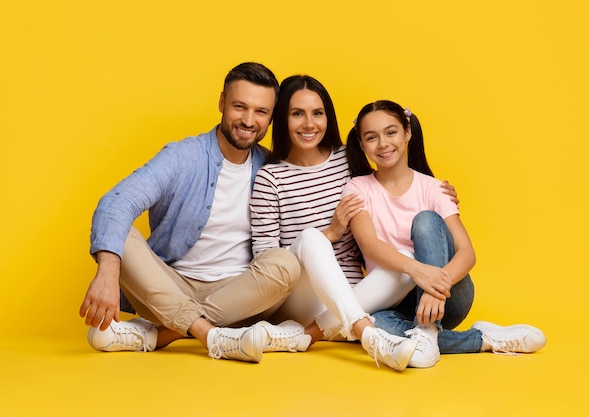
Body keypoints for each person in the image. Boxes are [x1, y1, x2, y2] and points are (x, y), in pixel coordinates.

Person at [79, 62, 313, 363]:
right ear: (221, 103)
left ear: (270, 118)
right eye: (239, 106)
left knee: (284, 263)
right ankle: (213, 335)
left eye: (261, 112)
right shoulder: (182, 156)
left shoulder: (271, 168)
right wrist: (107, 274)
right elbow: (116, 202)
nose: (248, 120)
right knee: (121, 234)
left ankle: (161, 334)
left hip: (240, 297)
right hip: (169, 286)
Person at [251, 75, 460, 370]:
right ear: (281, 120)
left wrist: (442, 195)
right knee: (313, 238)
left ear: (329, 118)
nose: (309, 124)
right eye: (297, 114)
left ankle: (316, 333)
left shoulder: (347, 160)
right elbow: (265, 265)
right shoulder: (270, 178)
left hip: (357, 298)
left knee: (404, 260)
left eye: (318, 113)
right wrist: (332, 232)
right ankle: (367, 334)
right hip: (300, 298)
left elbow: (390, 177)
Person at [344, 99, 546, 365]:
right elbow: (369, 244)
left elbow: (467, 253)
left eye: (391, 132)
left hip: (448, 296)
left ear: (407, 133)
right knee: (375, 327)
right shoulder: (358, 188)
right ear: (361, 144)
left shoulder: (435, 189)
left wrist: (434, 289)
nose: (383, 143)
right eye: (372, 137)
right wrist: (417, 271)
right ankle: (483, 339)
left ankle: (428, 329)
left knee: (426, 220)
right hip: (392, 304)